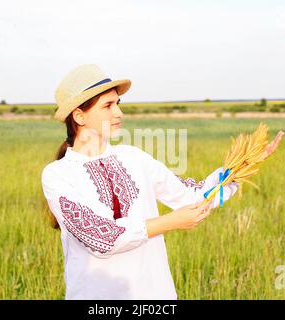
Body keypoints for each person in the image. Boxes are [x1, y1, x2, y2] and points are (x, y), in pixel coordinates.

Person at [41, 64, 239, 300]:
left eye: (118, 104)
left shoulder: (134, 158)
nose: (118, 113)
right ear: (79, 115)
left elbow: (192, 196)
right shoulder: (58, 174)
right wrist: (171, 222)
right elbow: (101, 238)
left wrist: (242, 164)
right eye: (107, 106)